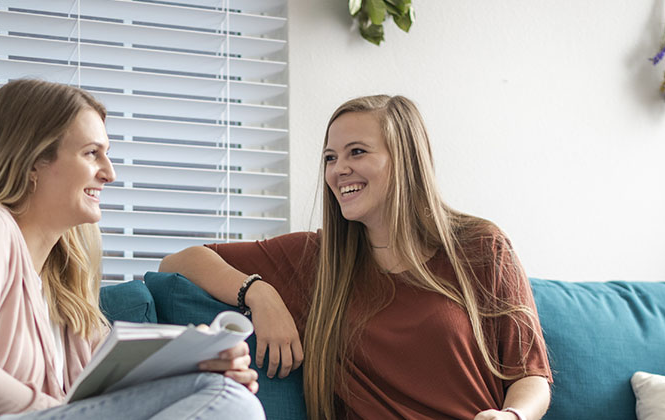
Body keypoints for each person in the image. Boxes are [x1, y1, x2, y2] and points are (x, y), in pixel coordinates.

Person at [0, 79, 264, 420]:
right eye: (92, 153)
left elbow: (111, 389)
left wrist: (199, 360)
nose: (109, 172)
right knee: (227, 402)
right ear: (33, 161)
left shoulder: (61, 283)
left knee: (223, 390)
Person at [160, 95, 552, 420]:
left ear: (405, 159)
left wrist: (513, 415)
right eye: (330, 157)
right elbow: (178, 262)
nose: (338, 170)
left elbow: (530, 375)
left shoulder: (481, 246)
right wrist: (258, 293)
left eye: (357, 152)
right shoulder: (316, 259)